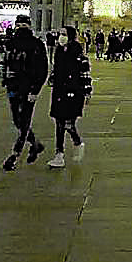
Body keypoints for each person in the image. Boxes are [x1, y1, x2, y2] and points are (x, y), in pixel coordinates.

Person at [2, 15, 49, 172]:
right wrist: (6, 80)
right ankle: (35, 144)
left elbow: (43, 69)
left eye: (23, 24)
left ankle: (15, 155)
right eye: (18, 24)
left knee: (25, 121)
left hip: (28, 88)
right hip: (13, 88)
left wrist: (35, 90)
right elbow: (6, 63)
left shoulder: (37, 44)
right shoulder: (11, 43)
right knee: (17, 120)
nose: (20, 27)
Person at [47, 26, 87, 169]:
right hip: (59, 91)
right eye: (60, 34)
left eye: (63, 34)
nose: (60, 36)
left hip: (73, 92)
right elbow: (56, 69)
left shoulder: (78, 53)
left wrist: (86, 91)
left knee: (68, 123)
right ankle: (59, 154)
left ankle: (77, 142)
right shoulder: (58, 52)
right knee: (59, 122)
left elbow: (84, 73)